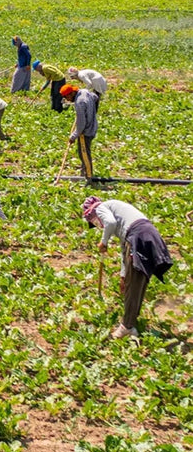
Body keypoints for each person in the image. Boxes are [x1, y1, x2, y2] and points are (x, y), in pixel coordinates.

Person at [82, 197, 172, 339]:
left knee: (134, 285)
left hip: (138, 236)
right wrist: (123, 276)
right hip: (147, 235)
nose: (97, 225)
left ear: (91, 214)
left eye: (93, 222)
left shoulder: (100, 208)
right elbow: (124, 250)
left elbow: (110, 223)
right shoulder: (120, 218)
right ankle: (131, 323)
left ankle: (127, 326)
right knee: (137, 281)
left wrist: (103, 242)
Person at [61, 84, 99, 179]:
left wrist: (73, 136)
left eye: (67, 97)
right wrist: (88, 111)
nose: (67, 99)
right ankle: (83, 172)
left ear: (72, 93)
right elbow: (95, 97)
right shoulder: (84, 91)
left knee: (84, 154)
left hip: (86, 132)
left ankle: (88, 177)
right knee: (83, 153)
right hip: (93, 125)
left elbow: (81, 125)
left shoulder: (79, 102)